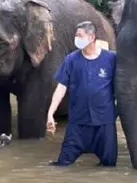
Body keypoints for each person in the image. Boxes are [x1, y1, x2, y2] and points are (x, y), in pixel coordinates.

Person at [45, 20, 119, 167]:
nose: (76, 39)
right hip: (78, 123)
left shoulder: (111, 59)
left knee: (109, 166)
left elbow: (122, 88)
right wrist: (50, 113)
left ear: (91, 37)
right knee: (62, 165)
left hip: (104, 124)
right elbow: (61, 87)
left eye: (80, 35)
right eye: (76, 36)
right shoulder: (71, 59)